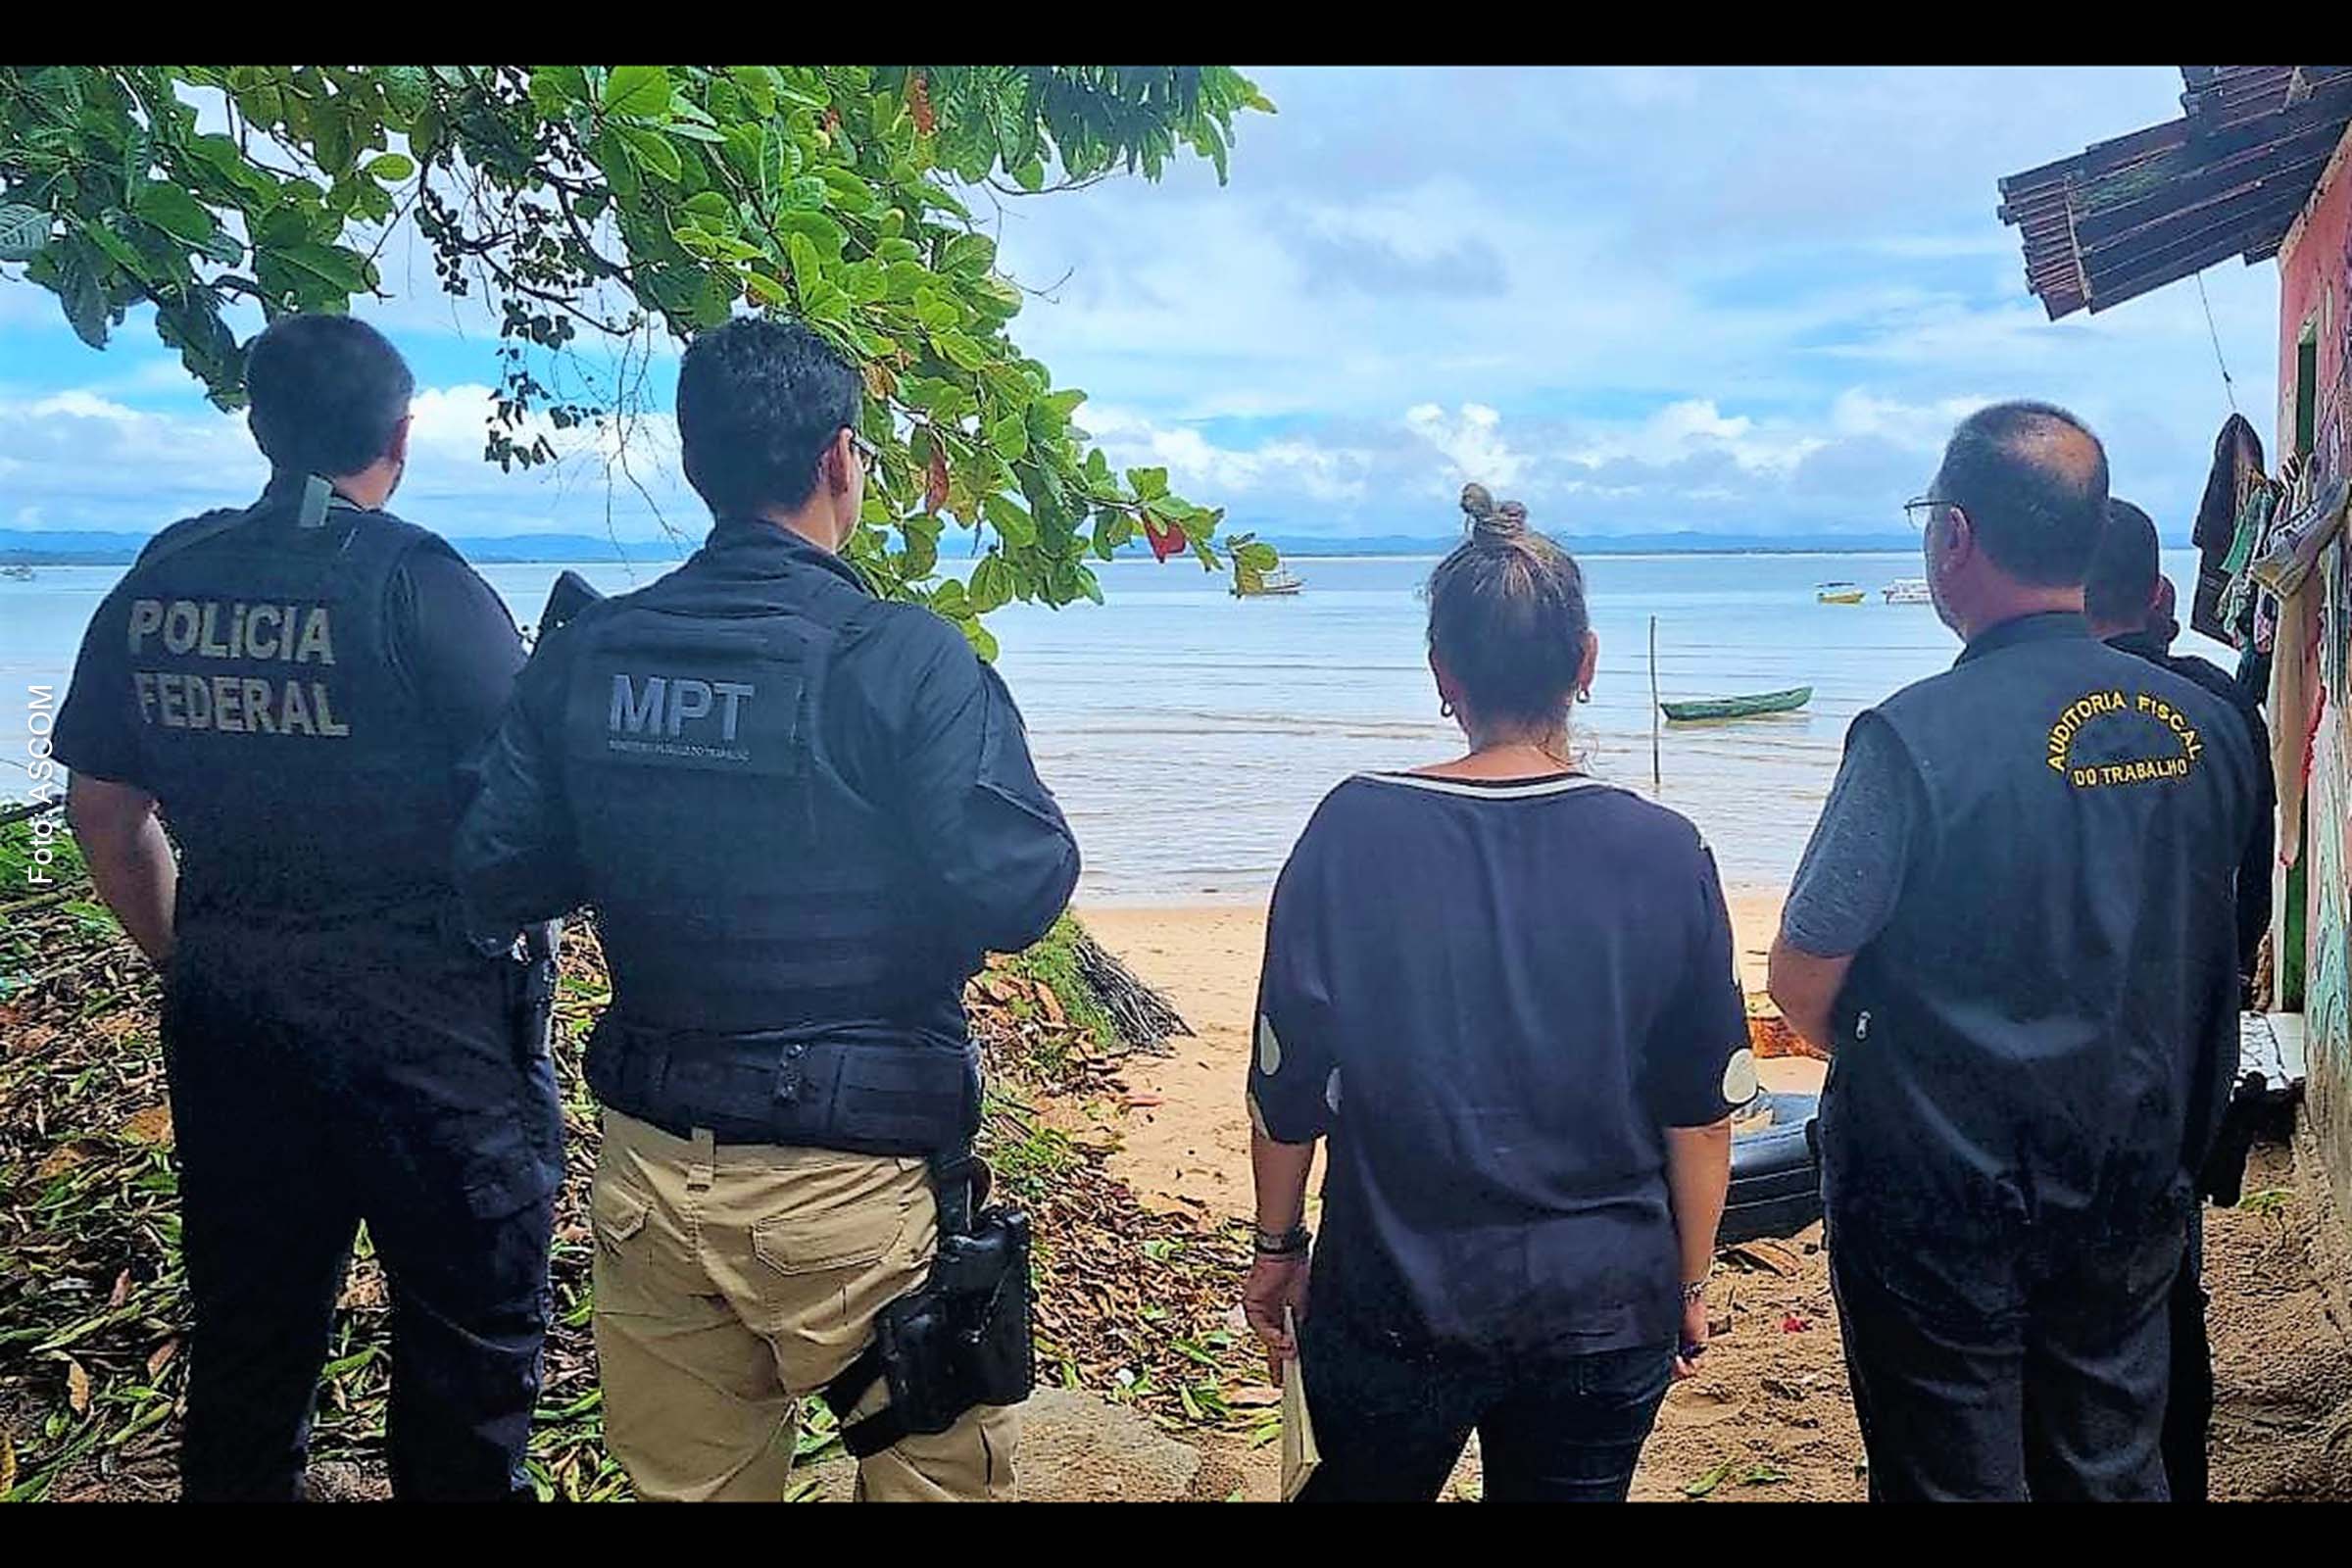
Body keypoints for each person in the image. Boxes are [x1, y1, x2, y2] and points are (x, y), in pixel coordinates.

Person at [454, 315, 1078, 1502]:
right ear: (842, 458)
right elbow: (1022, 889)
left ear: (698, 465)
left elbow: (496, 875)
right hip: (858, 1201)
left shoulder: (595, 654)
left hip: (651, 1181)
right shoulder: (905, 659)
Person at [51, 315, 561, 1501]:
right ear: (400, 435)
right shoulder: (425, 586)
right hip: (429, 1031)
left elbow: (104, 812)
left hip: (236, 1010)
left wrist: (194, 951)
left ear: (256, 426)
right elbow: (536, 822)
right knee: (469, 1348)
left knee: (251, 1331)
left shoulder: (163, 576)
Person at [1768, 403, 2258, 1502]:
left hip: (1943, 1187)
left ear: (1955, 536)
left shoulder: (1913, 737)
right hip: (2135, 1165)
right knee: (2111, 1456)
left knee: (1952, 1470)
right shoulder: (2208, 726)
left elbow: (1802, 979)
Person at [1241, 485, 1752, 1503]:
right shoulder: (1664, 849)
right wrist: (1688, 1282)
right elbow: (1700, 1111)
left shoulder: (1353, 830)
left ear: (1444, 673)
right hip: (1602, 1303)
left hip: (1392, 1296)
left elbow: (1286, 1080)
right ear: (1587, 663)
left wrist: (1276, 1246)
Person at [2084, 497, 2279, 1504]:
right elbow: (2252, 891)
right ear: (2162, 597)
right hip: (2185, 1047)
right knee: (2168, 1291)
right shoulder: (2222, 708)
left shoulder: (2026, 716)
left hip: (2064, 1065)